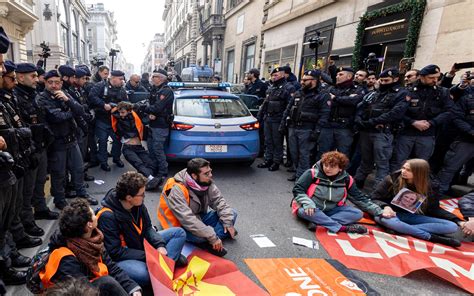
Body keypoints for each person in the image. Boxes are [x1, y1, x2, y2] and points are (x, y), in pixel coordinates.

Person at [97, 171, 187, 286]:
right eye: (142, 194)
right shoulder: (107, 216)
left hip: (141, 244)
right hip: (123, 257)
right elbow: (116, 252)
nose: (144, 197)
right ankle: (169, 262)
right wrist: (150, 255)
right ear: (129, 197)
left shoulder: (138, 204)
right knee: (145, 275)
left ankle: (165, 265)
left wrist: (159, 245)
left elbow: (148, 228)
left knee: (179, 233)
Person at [45, 199, 142, 295]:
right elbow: (81, 292)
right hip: (80, 291)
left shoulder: (93, 239)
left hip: (90, 284)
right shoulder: (66, 259)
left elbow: (111, 267)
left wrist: (132, 288)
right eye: (93, 215)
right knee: (108, 282)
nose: (96, 215)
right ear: (89, 225)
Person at [371, 158, 462, 247]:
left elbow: (434, 209)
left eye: (408, 170)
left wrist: (457, 220)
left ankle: (401, 229)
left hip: (412, 216)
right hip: (390, 214)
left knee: (452, 226)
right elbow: (374, 198)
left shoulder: (431, 186)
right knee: (390, 222)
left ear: (419, 173)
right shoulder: (392, 179)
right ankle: (431, 237)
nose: (403, 171)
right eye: (403, 168)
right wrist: (386, 207)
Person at [37, 70, 94, 209]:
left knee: (78, 168)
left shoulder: (64, 94)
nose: (54, 86)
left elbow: (80, 110)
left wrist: (68, 100)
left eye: (57, 82)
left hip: (71, 138)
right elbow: (56, 117)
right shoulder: (42, 98)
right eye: (50, 82)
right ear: (45, 83)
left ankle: (82, 193)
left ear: (61, 83)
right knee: (59, 174)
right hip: (57, 142)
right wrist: (71, 111)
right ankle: (60, 200)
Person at [158, 158, 237, 257]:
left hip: (198, 217)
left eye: (210, 172)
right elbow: (188, 220)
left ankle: (211, 242)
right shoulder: (177, 189)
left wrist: (228, 223)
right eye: (206, 174)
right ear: (194, 176)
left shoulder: (206, 182)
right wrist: (212, 236)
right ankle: (213, 239)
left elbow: (219, 201)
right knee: (200, 237)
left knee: (232, 214)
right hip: (179, 225)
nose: (210, 175)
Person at [292, 151, 388, 233]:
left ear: (340, 168)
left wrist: (379, 211)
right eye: (326, 165)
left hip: (333, 210)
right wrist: (308, 203)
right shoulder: (312, 173)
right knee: (302, 211)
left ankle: (319, 222)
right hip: (312, 207)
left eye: (332, 166)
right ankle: (343, 228)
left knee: (358, 214)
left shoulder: (347, 179)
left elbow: (359, 198)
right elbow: (298, 189)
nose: (327, 169)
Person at [0, 27, 29, 286]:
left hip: (8, 166)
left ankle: (7, 260)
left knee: (6, 221)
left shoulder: (5, 100)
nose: (2, 73)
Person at [14, 63, 59, 229]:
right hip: (29, 149)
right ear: (20, 77)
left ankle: (40, 208)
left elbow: (41, 120)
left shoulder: (33, 95)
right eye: (32, 76)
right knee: (27, 189)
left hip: (40, 146)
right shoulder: (17, 98)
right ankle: (27, 221)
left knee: (40, 182)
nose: (36, 79)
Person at [391, 64, 453, 171]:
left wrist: (431, 123)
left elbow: (449, 111)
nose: (435, 80)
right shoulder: (407, 91)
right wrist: (412, 122)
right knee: (398, 162)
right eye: (431, 77)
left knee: (421, 165)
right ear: (422, 76)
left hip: (427, 134)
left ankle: (415, 187)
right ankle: (396, 186)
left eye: (437, 77)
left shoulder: (442, 92)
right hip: (406, 132)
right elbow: (397, 112)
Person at [354, 68, 409, 189]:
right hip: (367, 131)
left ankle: (378, 192)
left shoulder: (401, 93)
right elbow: (361, 107)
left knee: (382, 165)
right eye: (382, 80)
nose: (383, 83)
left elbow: (395, 113)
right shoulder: (375, 93)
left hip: (382, 132)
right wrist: (360, 120)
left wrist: (371, 122)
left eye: (386, 80)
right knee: (365, 162)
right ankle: (355, 188)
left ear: (395, 79)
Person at [280, 70, 330, 181]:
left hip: (307, 129)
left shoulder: (322, 95)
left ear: (314, 81)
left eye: (305, 80)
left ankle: (303, 178)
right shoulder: (299, 92)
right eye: (302, 79)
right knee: (294, 153)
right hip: (293, 127)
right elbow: (288, 109)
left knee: (305, 155)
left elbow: (324, 115)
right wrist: (283, 124)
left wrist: (317, 131)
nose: (302, 82)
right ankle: (299, 172)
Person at [111, 101, 161, 191]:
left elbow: (144, 105)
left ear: (130, 111)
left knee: (151, 164)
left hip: (139, 147)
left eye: (123, 112)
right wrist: (118, 107)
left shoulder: (135, 116)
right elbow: (114, 110)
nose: (121, 114)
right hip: (128, 148)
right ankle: (151, 179)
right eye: (120, 112)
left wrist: (150, 116)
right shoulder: (119, 119)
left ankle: (146, 180)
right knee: (139, 164)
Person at [318, 67, 366, 159]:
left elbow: (354, 101)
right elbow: (325, 101)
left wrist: (335, 98)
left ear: (349, 76)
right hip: (328, 125)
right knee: (323, 154)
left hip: (344, 127)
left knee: (343, 156)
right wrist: (345, 99)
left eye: (340, 75)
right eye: (337, 74)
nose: (337, 77)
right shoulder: (331, 88)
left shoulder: (357, 89)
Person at [88, 70, 128, 171]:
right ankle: (103, 162)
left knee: (117, 140)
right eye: (120, 79)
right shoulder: (100, 85)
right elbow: (92, 97)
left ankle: (116, 158)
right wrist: (103, 104)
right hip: (102, 119)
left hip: (115, 120)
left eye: (122, 79)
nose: (122, 81)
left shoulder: (122, 90)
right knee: (102, 141)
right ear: (113, 78)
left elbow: (126, 102)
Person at [436, 90, 474, 194]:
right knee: (450, 167)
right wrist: (471, 131)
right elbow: (456, 117)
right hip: (466, 139)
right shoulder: (467, 99)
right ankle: (438, 191)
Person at [257, 67, 294, 171]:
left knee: (277, 141)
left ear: (282, 75)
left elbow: (289, 106)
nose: (274, 77)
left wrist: (285, 120)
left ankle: (276, 161)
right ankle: (268, 159)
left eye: (276, 75)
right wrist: (259, 117)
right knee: (268, 140)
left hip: (278, 119)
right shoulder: (271, 88)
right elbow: (265, 103)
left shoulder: (288, 88)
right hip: (268, 118)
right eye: (273, 75)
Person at [144, 69, 174, 182]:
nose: (152, 78)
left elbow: (157, 107)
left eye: (155, 76)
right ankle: (154, 169)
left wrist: (145, 109)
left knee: (158, 149)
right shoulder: (156, 89)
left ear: (161, 78)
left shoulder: (166, 91)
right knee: (151, 148)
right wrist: (150, 112)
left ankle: (162, 172)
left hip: (160, 125)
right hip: (153, 124)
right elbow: (150, 104)